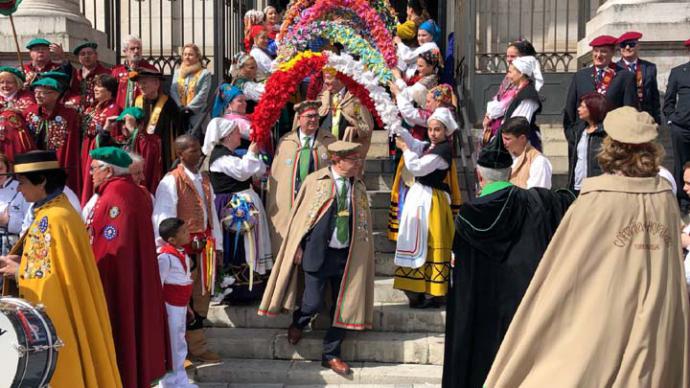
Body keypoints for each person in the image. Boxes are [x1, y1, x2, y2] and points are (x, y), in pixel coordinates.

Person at [485, 107, 690, 387]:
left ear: (611, 147)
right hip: (658, 317)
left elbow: (566, 267)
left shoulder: (597, 197)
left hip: (606, 313)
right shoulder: (664, 198)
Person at [442, 136, 575, 388]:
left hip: (482, 314)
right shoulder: (537, 203)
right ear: (510, 174)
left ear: (479, 177)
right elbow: (569, 199)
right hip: (523, 308)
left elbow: (460, 278)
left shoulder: (468, 216)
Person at [0, 150, 122, 388]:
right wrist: (19, 264)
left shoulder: (54, 219)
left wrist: (18, 272)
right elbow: (51, 265)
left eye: (23, 182)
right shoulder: (56, 210)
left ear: (42, 180)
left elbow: (49, 278)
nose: (18, 189)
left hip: (58, 315)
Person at [259, 140, 375, 376]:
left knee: (343, 307)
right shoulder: (316, 182)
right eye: (353, 160)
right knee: (312, 302)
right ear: (337, 160)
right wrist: (298, 247)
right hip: (316, 253)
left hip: (348, 254)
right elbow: (302, 219)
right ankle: (299, 322)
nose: (357, 164)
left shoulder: (358, 185)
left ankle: (331, 354)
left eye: (358, 159)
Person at [86, 147, 170, 387]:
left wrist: (93, 271)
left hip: (117, 280)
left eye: (93, 169)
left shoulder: (116, 196)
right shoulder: (127, 191)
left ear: (108, 170)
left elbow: (112, 246)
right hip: (128, 276)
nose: (91, 174)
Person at [153, 135, 222, 364]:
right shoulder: (171, 181)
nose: (199, 153)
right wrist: (171, 248)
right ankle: (181, 351)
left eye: (199, 148)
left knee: (201, 299)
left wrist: (218, 246)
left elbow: (212, 213)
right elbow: (163, 218)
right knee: (183, 301)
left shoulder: (204, 179)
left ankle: (196, 347)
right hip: (183, 250)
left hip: (205, 248)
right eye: (192, 150)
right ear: (180, 154)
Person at [393, 108, 458, 308]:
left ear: (446, 131)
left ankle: (433, 292)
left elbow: (418, 168)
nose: (432, 133)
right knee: (416, 239)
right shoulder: (432, 146)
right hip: (421, 197)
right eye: (430, 129)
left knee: (431, 239)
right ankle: (417, 289)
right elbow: (414, 143)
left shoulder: (443, 150)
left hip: (432, 201)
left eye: (437, 129)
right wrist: (397, 126)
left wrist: (404, 149)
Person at [203, 118, 272, 303]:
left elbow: (256, 170)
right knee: (240, 246)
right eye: (235, 132)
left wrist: (253, 155)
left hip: (242, 205)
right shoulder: (221, 157)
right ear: (226, 137)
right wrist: (252, 151)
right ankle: (236, 290)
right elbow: (243, 171)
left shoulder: (230, 155)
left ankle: (252, 288)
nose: (238, 134)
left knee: (249, 245)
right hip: (234, 210)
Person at [267, 100, 336, 256]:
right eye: (309, 116)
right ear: (299, 118)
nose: (314, 120)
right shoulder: (286, 142)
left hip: (317, 202)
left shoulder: (328, 141)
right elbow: (278, 175)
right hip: (291, 203)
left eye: (316, 116)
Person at [563, 35, 637, 160]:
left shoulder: (624, 77)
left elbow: (629, 111)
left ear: (613, 52)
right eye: (595, 51)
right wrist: (572, 135)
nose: (598, 55)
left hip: (610, 138)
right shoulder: (581, 76)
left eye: (603, 51)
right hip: (583, 136)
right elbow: (570, 109)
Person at [157, 218, 197, 388]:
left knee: (180, 342)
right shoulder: (165, 258)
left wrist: (187, 306)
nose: (188, 234)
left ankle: (180, 380)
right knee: (172, 344)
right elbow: (158, 284)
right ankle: (167, 382)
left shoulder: (183, 254)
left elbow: (185, 280)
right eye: (183, 232)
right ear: (172, 239)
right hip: (170, 307)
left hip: (180, 305)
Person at [24, 77, 82, 194]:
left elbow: (72, 144)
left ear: (56, 95)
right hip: (35, 163)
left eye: (43, 93)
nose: (38, 96)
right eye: (36, 92)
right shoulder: (29, 111)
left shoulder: (69, 114)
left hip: (58, 164)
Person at [482, 40, 543, 144]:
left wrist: (491, 116)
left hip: (516, 138)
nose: (509, 59)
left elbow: (517, 121)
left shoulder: (526, 89)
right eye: (508, 56)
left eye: (513, 56)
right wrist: (488, 116)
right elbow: (500, 98)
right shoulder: (511, 78)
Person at [133, 68, 182, 180]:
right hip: (141, 151)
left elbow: (177, 130)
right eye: (139, 82)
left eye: (144, 82)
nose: (141, 86)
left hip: (162, 153)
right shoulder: (137, 101)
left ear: (156, 83)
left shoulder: (169, 104)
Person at [80, 74, 122, 205]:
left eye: (100, 86)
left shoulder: (113, 109)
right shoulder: (92, 107)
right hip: (86, 148)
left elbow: (112, 135)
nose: (96, 89)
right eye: (95, 86)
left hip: (98, 149)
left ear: (109, 90)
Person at [319, 69, 374, 157]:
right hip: (325, 152)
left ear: (340, 79)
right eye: (325, 80)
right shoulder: (323, 97)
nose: (326, 84)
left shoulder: (355, 98)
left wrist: (355, 130)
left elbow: (366, 126)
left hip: (348, 152)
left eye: (329, 80)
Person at [664, 39, 690, 211]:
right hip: (682, 127)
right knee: (681, 162)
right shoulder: (679, 72)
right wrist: (673, 119)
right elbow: (669, 101)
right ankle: (683, 201)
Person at [567, 92, 609, 193]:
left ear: (593, 109)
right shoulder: (581, 130)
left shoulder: (604, 133)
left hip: (596, 188)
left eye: (582, 107)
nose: (578, 109)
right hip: (578, 186)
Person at [616, 31, 661, 124]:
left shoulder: (650, 67)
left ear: (638, 46)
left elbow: (654, 95)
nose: (627, 48)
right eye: (623, 45)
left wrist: (657, 119)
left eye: (631, 44)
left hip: (645, 118)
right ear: (620, 48)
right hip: (623, 118)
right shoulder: (614, 69)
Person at [170, 43, 212, 134]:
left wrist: (188, 109)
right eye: (185, 54)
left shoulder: (204, 74)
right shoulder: (178, 72)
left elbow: (203, 94)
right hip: (179, 115)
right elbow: (173, 90)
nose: (187, 57)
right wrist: (180, 107)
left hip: (197, 117)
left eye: (190, 54)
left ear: (197, 57)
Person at [501, 116, 552, 189]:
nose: (503, 142)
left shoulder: (539, 162)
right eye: (502, 138)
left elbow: (537, 196)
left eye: (507, 139)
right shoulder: (503, 156)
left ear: (522, 138)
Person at [111, 35, 158, 109]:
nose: (136, 51)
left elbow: (158, 94)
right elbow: (110, 94)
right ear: (125, 51)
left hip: (144, 113)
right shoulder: (116, 72)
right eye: (132, 48)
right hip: (120, 114)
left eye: (138, 48)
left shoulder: (151, 70)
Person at [0, 153, 30, 255]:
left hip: (11, 245)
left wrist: (8, 222)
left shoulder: (20, 188)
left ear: (7, 169)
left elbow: (29, 222)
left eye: (0, 169)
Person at [69, 41, 112, 110]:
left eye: (89, 53)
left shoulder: (106, 73)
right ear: (78, 58)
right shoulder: (75, 74)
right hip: (77, 111)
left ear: (96, 55)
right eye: (82, 54)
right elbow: (72, 92)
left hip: (100, 111)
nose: (86, 56)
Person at [211, 84, 253, 151]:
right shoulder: (234, 121)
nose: (245, 103)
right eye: (240, 101)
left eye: (245, 100)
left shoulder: (230, 117)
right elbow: (255, 134)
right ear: (229, 104)